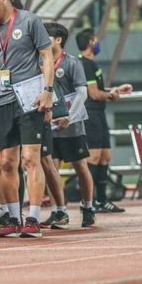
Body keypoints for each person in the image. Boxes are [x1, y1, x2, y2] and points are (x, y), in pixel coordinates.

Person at [0, 0, 53, 238]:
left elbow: (47, 56)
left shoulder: (30, 21)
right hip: (2, 101)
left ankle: (33, 218)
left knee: (30, 159)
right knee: (6, 164)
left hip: (30, 99)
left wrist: (48, 90)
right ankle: (13, 218)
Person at [43, 23, 96, 229]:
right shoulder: (41, 62)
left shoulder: (72, 63)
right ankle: (59, 210)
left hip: (71, 125)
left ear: (58, 40)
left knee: (80, 167)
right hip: (50, 125)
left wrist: (69, 118)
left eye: (47, 36)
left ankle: (89, 207)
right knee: (50, 168)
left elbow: (82, 93)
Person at [76, 28, 133, 213]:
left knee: (105, 157)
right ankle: (88, 202)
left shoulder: (92, 64)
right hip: (91, 114)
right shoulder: (85, 64)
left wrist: (114, 90)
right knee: (93, 157)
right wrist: (109, 95)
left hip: (99, 114)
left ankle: (102, 200)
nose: (98, 43)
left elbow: (98, 90)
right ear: (91, 42)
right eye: (96, 40)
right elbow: (92, 94)